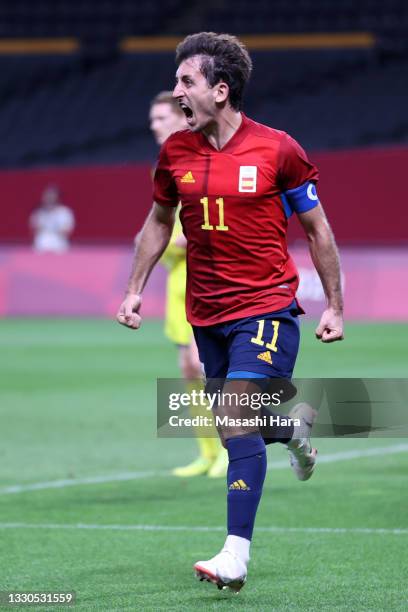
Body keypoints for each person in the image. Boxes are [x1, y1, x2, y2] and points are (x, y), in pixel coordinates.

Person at [117, 32, 344, 592]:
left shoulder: (278, 150)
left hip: (266, 307)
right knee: (235, 428)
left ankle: (235, 554)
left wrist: (336, 304)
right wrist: (134, 288)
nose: (176, 93)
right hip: (207, 313)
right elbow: (158, 222)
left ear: (220, 91)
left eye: (186, 83)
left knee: (236, 418)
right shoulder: (174, 152)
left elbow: (317, 228)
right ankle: (292, 429)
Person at [149, 91, 228, 478]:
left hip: (207, 279)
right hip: (178, 279)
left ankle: (233, 448)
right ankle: (208, 452)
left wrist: (181, 242)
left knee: (206, 365)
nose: (154, 125)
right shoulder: (165, 164)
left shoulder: (207, 158)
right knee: (187, 368)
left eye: (161, 118)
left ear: (183, 119)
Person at [29, 184, 75, 253]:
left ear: (57, 197)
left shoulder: (64, 212)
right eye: (47, 195)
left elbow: (67, 230)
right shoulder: (38, 212)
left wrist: (55, 228)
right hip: (42, 243)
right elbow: (34, 229)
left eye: (52, 195)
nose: (49, 197)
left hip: (59, 243)